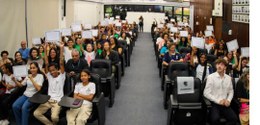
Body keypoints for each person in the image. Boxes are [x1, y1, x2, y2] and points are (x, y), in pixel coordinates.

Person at [33, 42, 65, 125]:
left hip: (58, 101)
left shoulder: (62, 76)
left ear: (57, 69)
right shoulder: (49, 76)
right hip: (48, 100)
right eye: (50, 71)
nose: (52, 72)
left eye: (54, 70)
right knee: (36, 113)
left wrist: (61, 48)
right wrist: (45, 48)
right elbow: (46, 62)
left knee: (54, 117)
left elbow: (61, 62)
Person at [203, 58, 238, 125]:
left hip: (225, 103)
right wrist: (218, 101)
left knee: (234, 119)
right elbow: (206, 93)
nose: (219, 66)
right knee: (215, 119)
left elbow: (231, 91)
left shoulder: (228, 78)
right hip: (215, 103)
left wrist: (228, 100)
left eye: (221, 65)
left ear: (225, 67)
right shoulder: (211, 77)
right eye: (218, 64)